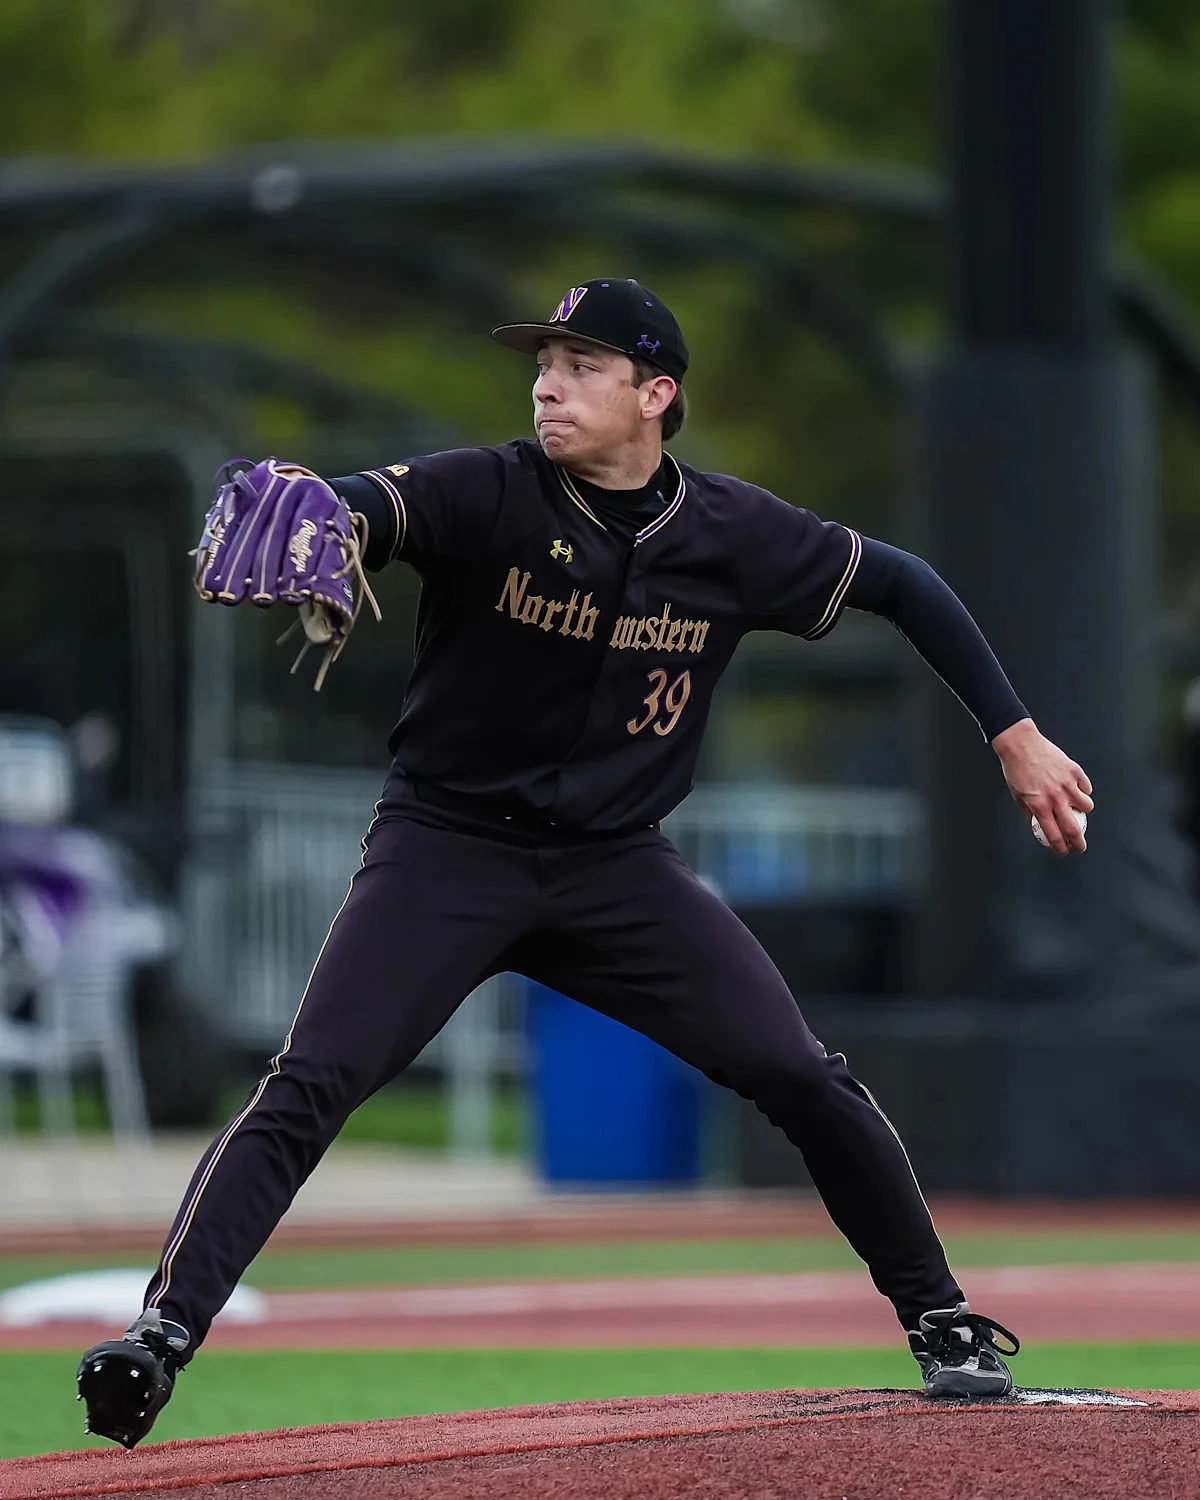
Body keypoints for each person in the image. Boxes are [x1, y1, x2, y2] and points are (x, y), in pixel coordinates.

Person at [77, 277, 1092, 1447]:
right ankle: (160, 1335)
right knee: (313, 1081)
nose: (548, 386)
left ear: (655, 394)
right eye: (544, 364)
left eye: (582, 366)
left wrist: (1013, 733)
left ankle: (943, 1319)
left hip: (618, 870)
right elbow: (369, 506)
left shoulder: (733, 532)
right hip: (447, 850)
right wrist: (329, 506)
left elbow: (903, 584)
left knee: (803, 1075)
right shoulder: (486, 490)